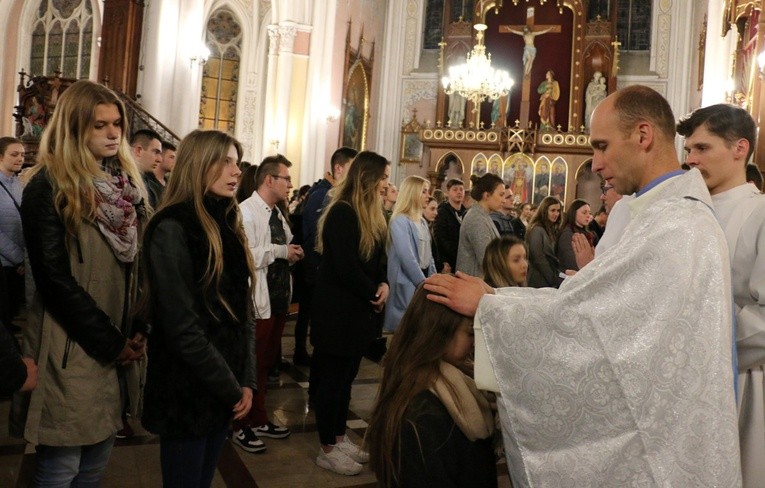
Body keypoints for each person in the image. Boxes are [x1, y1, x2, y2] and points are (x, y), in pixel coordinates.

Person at [423, 85, 741, 486]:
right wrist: (495, 296)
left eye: (603, 146)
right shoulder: (664, 216)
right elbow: (591, 305)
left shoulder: (678, 227)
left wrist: (490, 309)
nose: (596, 163)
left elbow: (593, 329)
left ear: (643, 136)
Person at [18, 80, 147, 486]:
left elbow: (135, 272)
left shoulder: (124, 190)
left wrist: (138, 327)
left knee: (94, 463)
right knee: (62, 466)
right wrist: (112, 341)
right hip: (69, 342)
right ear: (74, 128)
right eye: (99, 125)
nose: (112, 133)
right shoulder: (49, 187)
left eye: (117, 125)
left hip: (115, 339)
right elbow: (53, 280)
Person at [140, 129, 256, 486]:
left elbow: (243, 312)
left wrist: (247, 379)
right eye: (224, 162)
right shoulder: (172, 226)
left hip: (224, 387)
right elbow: (182, 327)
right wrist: (231, 385)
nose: (236, 171)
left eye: (236, 162)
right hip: (187, 389)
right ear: (197, 164)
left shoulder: (227, 222)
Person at [678, 103, 765, 487]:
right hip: (686, 381)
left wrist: (701, 346)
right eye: (688, 151)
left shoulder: (759, 213)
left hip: (742, 382)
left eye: (702, 148)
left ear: (739, 148)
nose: (691, 159)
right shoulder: (686, 212)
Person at [366, 284, 497, 487]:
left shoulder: (460, 378)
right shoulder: (423, 416)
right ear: (439, 333)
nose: (477, 342)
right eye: (470, 333)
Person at [311, 151, 390, 475]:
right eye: (383, 177)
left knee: (346, 380)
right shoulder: (341, 213)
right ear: (367, 178)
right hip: (337, 314)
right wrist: (373, 291)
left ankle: (340, 437)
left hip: (357, 313)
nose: (387, 183)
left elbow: (378, 258)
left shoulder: (371, 214)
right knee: (330, 381)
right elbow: (345, 267)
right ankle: (327, 447)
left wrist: (383, 283)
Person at [234, 155, 303, 453]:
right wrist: (282, 250)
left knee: (264, 361)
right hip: (257, 301)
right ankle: (240, 424)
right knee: (249, 365)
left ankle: (259, 417)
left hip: (277, 300)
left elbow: (283, 247)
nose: (290, 184)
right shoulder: (246, 211)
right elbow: (247, 254)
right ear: (269, 180)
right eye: (286, 178)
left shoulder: (277, 212)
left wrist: (292, 252)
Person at [298, 147, 357, 365]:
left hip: (323, 267)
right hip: (315, 265)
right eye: (352, 168)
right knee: (310, 312)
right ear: (339, 168)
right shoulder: (321, 194)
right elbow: (317, 235)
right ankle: (301, 351)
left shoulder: (336, 193)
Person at [384, 175, 435, 332]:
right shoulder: (399, 220)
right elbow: (406, 257)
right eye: (424, 191)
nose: (428, 195)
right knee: (403, 329)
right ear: (413, 193)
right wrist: (422, 283)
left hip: (423, 276)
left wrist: (434, 279)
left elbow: (429, 255)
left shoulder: (422, 221)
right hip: (407, 279)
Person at [0, 137, 26, 333]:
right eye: (14, 154)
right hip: (4, 263)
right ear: (0, 157)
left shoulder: (19, 183)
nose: (20, 158)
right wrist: (19, 258)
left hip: (18, 264)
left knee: (11, 308)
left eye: (22, 154)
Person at [455, 173, 503, 277]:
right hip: (473, 282)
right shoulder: (476, 219)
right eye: (500, 195)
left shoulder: (483, 215)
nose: (503, 200)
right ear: (487, 195)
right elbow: (486, 260)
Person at [525, 195, 562, 288]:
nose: (556, 214)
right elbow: (538, 258)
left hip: (547, 277)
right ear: (545, 211)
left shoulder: (550, 229)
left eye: (558, 211)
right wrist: (553, 280)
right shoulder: (537, 229)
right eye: (553, 210)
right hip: (538, 278)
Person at [433, 178, 467, 273]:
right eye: (455, 189)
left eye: (461, 189)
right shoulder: (442, 212)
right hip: (448, 261)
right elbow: (440, 237)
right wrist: (456, 254)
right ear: (448, 192)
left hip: (464, 260)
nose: (459, 192)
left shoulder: (466, 213)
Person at [556, 199, 594, 272]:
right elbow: (570, 262)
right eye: (584, 213)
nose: (588, 216)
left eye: (589, 213)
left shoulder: (585, 232)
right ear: (574, 213)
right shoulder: (567, 234)